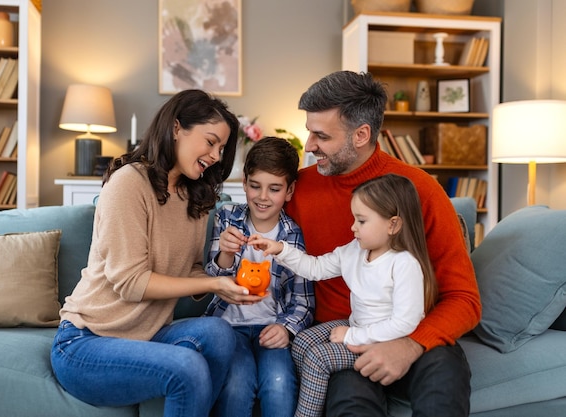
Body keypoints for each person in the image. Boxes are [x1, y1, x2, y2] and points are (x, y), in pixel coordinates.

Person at [50, 89, 264, 417]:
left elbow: (191, 269)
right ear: (177, 128)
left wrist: (226, 278)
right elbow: (131, 283)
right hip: (86, 343)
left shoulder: (196, 197)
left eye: (222, 148)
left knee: (221, 334)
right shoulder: (129, 184)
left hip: (147, 337)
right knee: (187, 367)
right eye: (210, 142)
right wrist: (212, 286)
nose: (217, 156)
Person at [285, 71, 481, 416]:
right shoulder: (296, 189)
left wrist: (410, 345)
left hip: (415, 332)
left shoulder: (419, 190)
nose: (310, 145)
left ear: (361, 135)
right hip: (347, 338)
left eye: (321, 135)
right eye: (309, 131)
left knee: (444, 383)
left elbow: (464, 299)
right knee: (350, 404)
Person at [249, 173, 438, 417]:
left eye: (361, 221)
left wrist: (353, 335)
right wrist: (280, 249)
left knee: (318, 358)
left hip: (384, 340)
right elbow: (315, 268)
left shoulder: (404, 264)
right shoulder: (355, 251)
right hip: (358, 326)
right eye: (354, 219)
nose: (353, 227)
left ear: (393, 225)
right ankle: (316, 394)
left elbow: (405, 323)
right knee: (302, 342)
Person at [204, 137, 315, 417]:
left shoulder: (293, 234)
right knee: (237, 385)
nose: (263, 197)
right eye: (255, 186)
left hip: (272, 326)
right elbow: (214, 279)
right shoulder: (227, 218)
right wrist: (226, 253)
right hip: (229, 327)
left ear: (289, 191)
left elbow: (303, 299)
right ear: (244, 183)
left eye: (274, 189)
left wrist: (286, 329)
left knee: (278, 385)